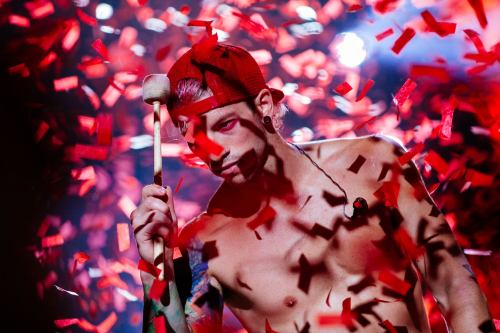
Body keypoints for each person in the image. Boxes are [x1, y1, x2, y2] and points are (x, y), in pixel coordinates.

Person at [130, 39, 494, 333]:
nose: (214, 152)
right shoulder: (204, 242)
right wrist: (155, 267)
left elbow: (455, 286)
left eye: (225, 126)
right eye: (194, 138)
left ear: (265, 106)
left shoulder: (374, 162)